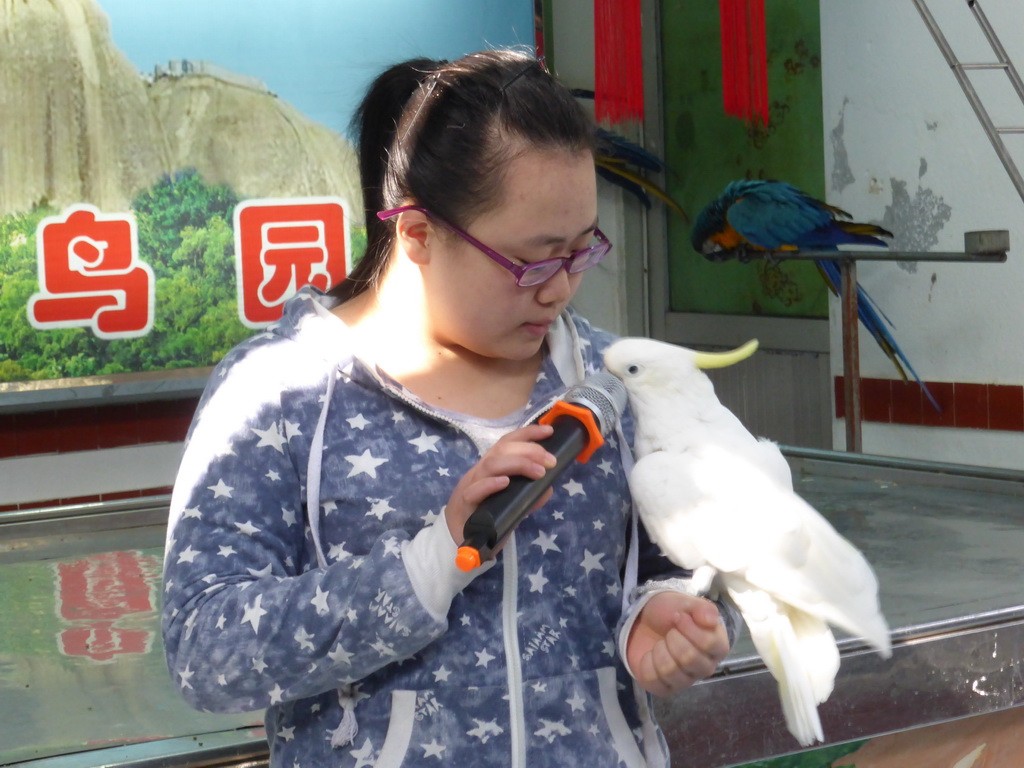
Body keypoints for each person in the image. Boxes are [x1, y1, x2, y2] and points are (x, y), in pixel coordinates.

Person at [162, 48, 734, 767]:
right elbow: (204, 650)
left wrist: (669, 619)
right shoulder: (279, 395)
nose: (559, 289)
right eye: (533, 259)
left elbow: (707, 563)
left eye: (580, 251)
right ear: (416, 234)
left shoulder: (619, 378)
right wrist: (434, 559)